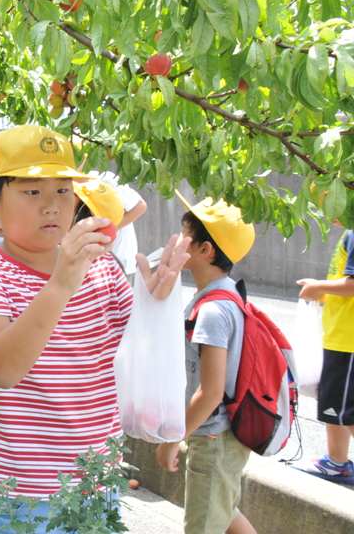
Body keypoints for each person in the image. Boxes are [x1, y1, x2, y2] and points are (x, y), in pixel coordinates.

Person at [0, 126, 189, 532]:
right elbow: (3, 370)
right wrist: (61, 282)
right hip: (17, 495)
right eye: (31, 192)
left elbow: (134, 359)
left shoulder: (103, 268)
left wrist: (155, 304)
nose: (52, 207)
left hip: (97, 482)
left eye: (62, 191)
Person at [156, 194, 258, 534]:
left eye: (186, 235)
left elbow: (211, 391)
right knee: (225, 512)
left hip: (213, 439)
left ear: (205, 250)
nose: (178, 240)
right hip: (223, 438)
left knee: (204, 524)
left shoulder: (213, 311)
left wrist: (174, 438)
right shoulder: (227, 294)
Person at [295, 225, 354, 484]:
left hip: (346, 340)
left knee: (342, 409)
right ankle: (336, 461)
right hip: (340, 336)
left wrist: (318, 287)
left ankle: (337, 463)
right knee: (337, 405)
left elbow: (352, 285)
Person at [92, 171, 147, 276]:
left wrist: (108, 229)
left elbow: (139, 206)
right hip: (94, 264)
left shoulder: (104, 178)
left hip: (119, 261)